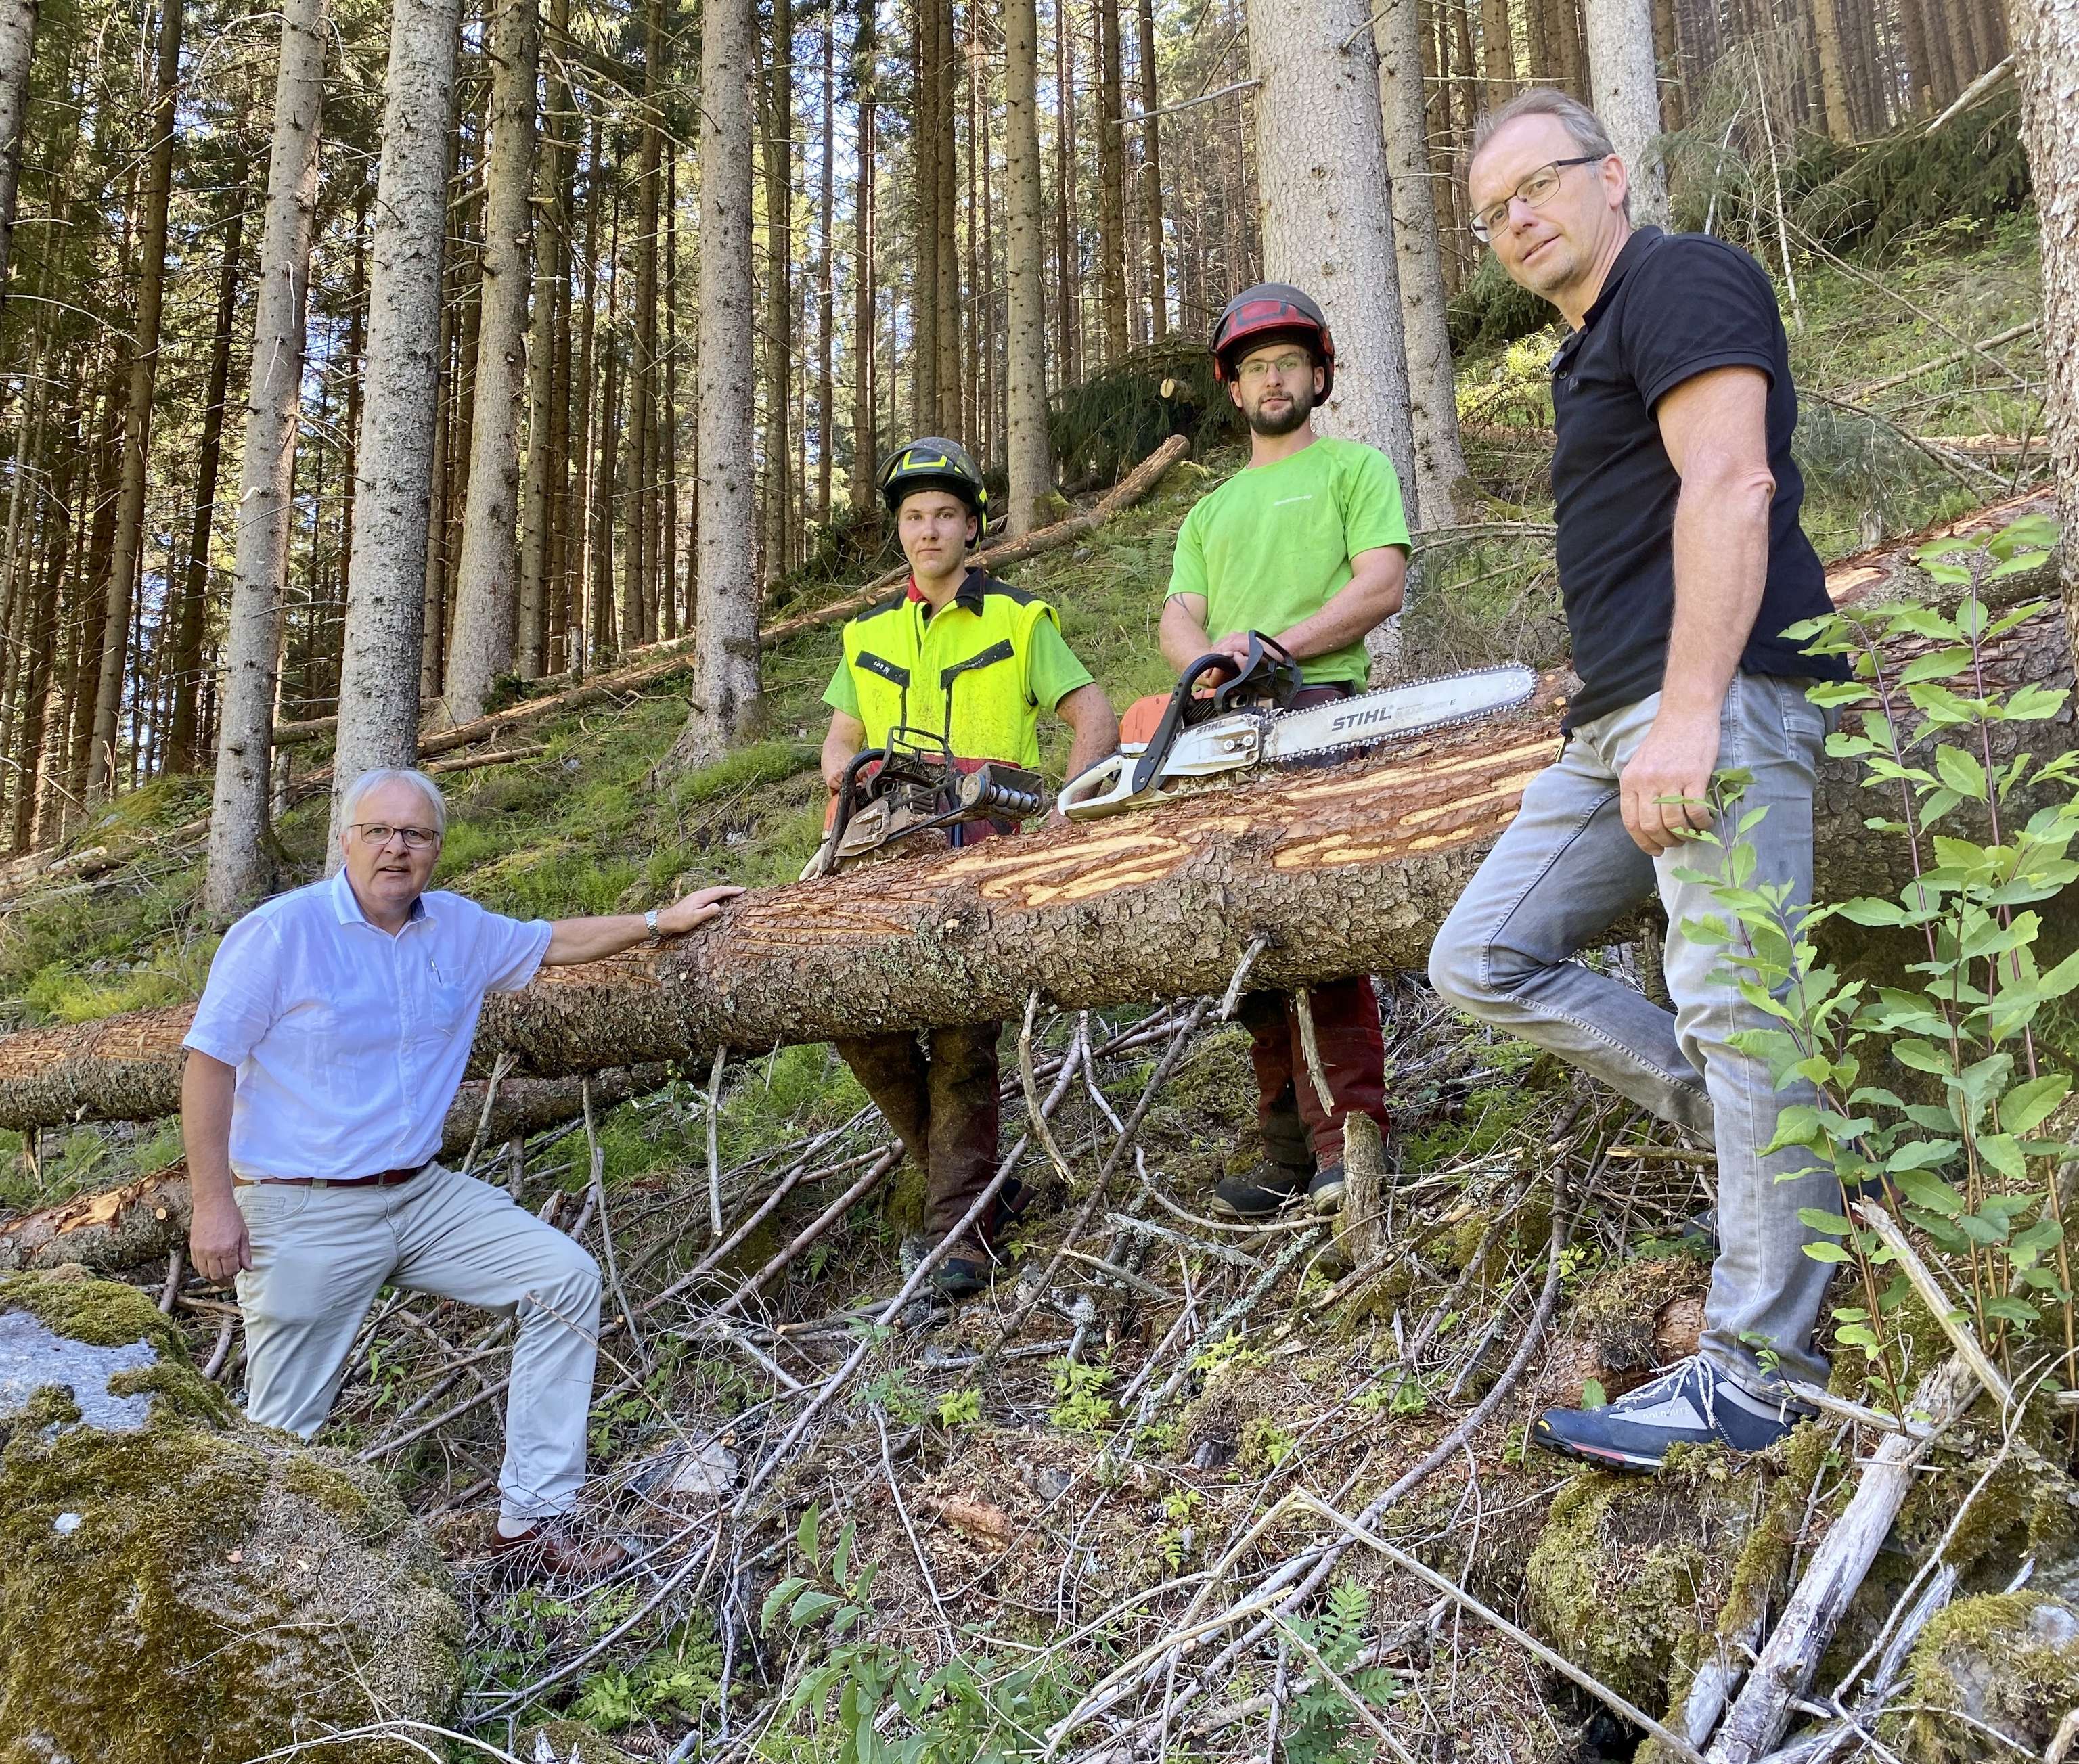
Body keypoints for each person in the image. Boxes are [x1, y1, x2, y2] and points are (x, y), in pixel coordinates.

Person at [1429, 90, 1854, 1472]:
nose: (1518, 222)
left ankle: (1757, 1377)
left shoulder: (1680, 276)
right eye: (1493, 214)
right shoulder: (1587, 351)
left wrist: (1686, 716)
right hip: (1616, 725)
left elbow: (1730, 488)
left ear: (1612, 176)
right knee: (1484, 953)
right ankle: (1783, 1159)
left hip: (1714, 708)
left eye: (1538, 187)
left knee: (1735, 1005)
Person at [182, 767, 742, 1573]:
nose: (397, 848)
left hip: (421, 1195)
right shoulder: (281, 935)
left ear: (437, 850)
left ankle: (535, 1523)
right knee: (282, 1428)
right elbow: (208, 1065)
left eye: (416, 834)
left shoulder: (457, 929)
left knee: (562, 1278)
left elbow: (552, 941)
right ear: (346, 840)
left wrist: (660, 920)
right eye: (380, 831)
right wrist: (213, 1204)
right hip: (302, 1208)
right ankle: (259, 1579)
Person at [820, 437, 1118, 1298]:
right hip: (879, 851)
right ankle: (984, 1188)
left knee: (959, 1043)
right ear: (899, 530)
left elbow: (1092, 716)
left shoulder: (1021, 619)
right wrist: (850, 778)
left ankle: (959, 1238)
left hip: (982, 843)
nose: (928, 530)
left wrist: (1064, 814)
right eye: (914, 516)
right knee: (853, 1018)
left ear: (971, 525)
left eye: (945, 514)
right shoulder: (865, 633)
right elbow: (839, 740)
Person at [1161, 283, 1407, 1221]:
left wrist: (1283, 646)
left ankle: (1352, 1137)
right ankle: (1285, 1148)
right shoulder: (1211, 511)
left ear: (1319, 374)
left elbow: (1379, 582)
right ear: (1234, 385)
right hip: (1225, 730)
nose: (1274, 378)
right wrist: (1212, 663)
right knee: (1246, 934)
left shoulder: (1353, 468)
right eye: (1258, 366)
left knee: (1323, 926)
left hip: (1322, 709)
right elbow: (1177, 616)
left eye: (1289, 363)